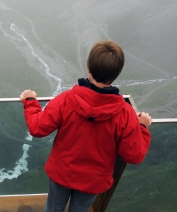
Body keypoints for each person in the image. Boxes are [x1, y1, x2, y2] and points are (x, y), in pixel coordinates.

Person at [19, 40, 151, 212]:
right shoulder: (125, 114)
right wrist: (141, 127)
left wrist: (30, 102)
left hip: (62, 172)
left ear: (89, 68)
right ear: (116, 74)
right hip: (94, 180)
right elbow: (134, 155)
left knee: (53, 208)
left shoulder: (67, 100)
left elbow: (37, 128)